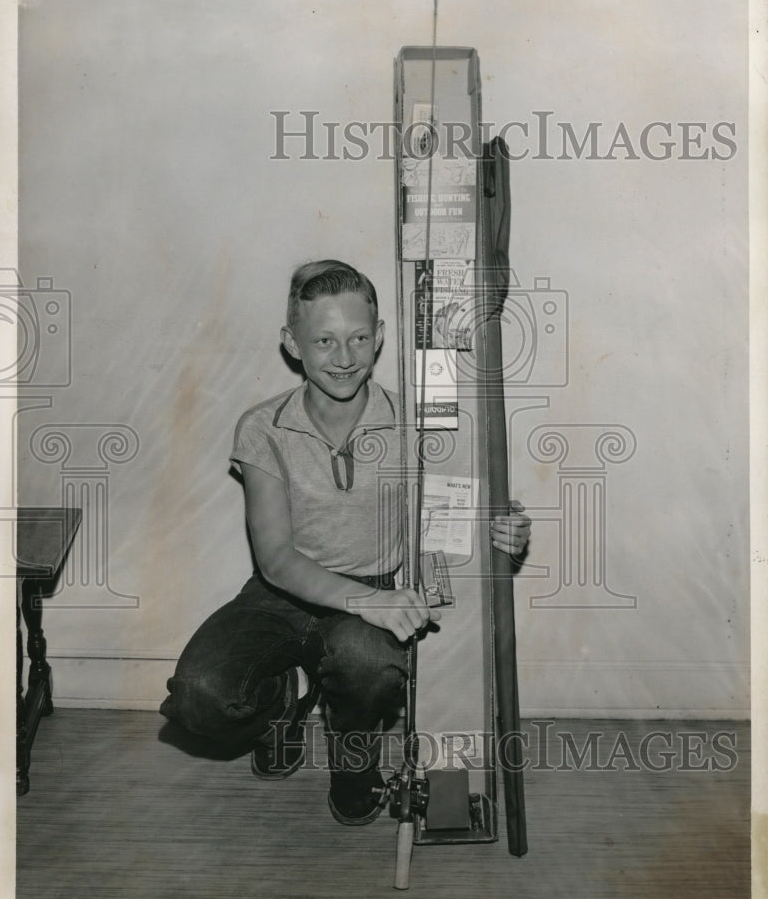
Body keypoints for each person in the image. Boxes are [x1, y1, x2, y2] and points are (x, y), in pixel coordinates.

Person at [160, 259, 531, 826]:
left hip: (371, 592)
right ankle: (283, 707)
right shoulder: (262, 427)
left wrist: (503, 528)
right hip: (279, 595)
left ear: (379, 336)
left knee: (368, 664)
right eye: (324, 341)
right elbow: (276, 560)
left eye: (358, 338)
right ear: (293, 344)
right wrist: (370, 601)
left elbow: (456, 508)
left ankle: (353, 767)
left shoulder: (417, 421)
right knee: (198, 696)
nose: (344, 357)